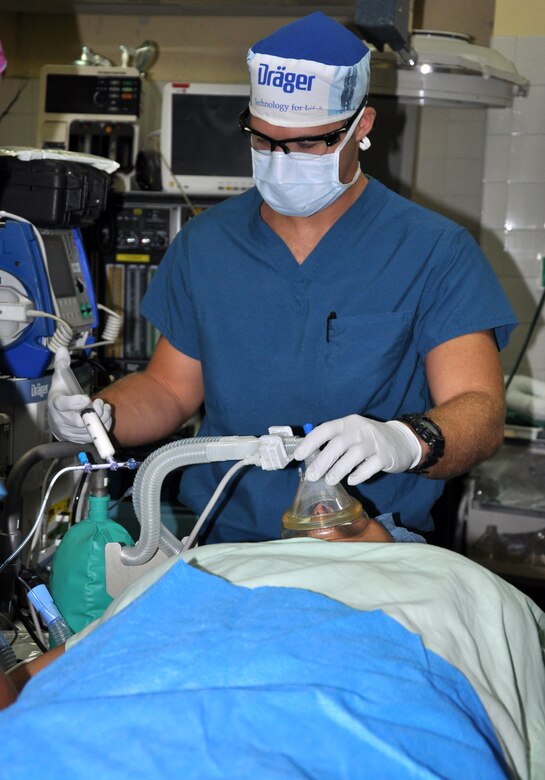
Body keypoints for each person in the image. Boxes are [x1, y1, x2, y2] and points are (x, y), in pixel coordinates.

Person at [47, 12, 517, 544]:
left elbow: (479, 410)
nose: (281, 160)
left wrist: (407, 440)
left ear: (360, 128)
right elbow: (168, 390)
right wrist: (103, 415)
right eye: (264, 140)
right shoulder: (208, 245)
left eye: (309, 143)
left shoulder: (433, 250)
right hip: (222, 543)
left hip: (372, 545)